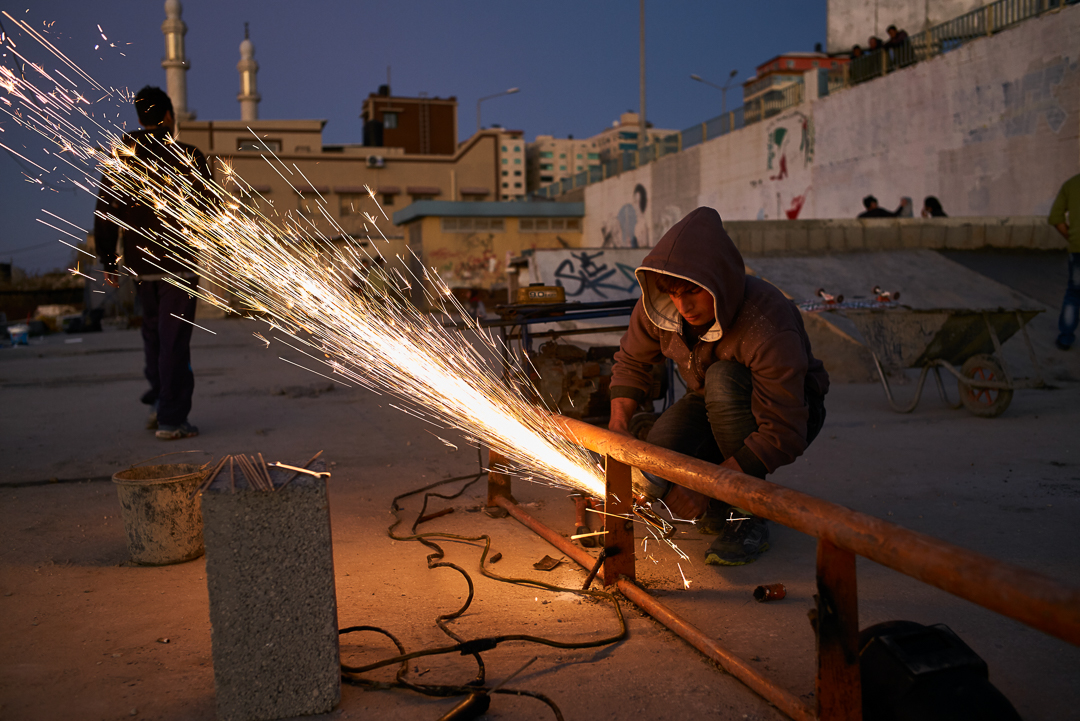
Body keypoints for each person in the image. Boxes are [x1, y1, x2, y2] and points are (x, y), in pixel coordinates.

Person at [608, 207, 829, 566]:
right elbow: (631, 362)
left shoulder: (765, 321)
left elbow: (784, 430)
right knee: (660, 456)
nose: (683, 306)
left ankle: (746, 515)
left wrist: (707, 487)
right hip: (712, 400)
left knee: (722, 379)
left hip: (790, 411)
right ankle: (725, 494)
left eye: (693, 291)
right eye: (673, 293)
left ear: (720, 281)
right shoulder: (663, 307)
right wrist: (618, 431)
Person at [94, 86, 213, 439]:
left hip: (139, 267)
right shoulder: (189, 156)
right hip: (179, 267)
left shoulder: (123, 158)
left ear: (141, 117)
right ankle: (171, 418)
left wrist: (108, 263)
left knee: (154, 338)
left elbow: (105, 213)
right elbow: (211, 212)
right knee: (174, 341)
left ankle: (157, 403)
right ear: (168, 117)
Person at [1049, 173, 1080, 350]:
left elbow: (1055, 218)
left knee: (1074, 294)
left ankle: (1066, 338)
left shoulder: (1071, 185)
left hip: (1078, 250)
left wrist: (1073, 237)